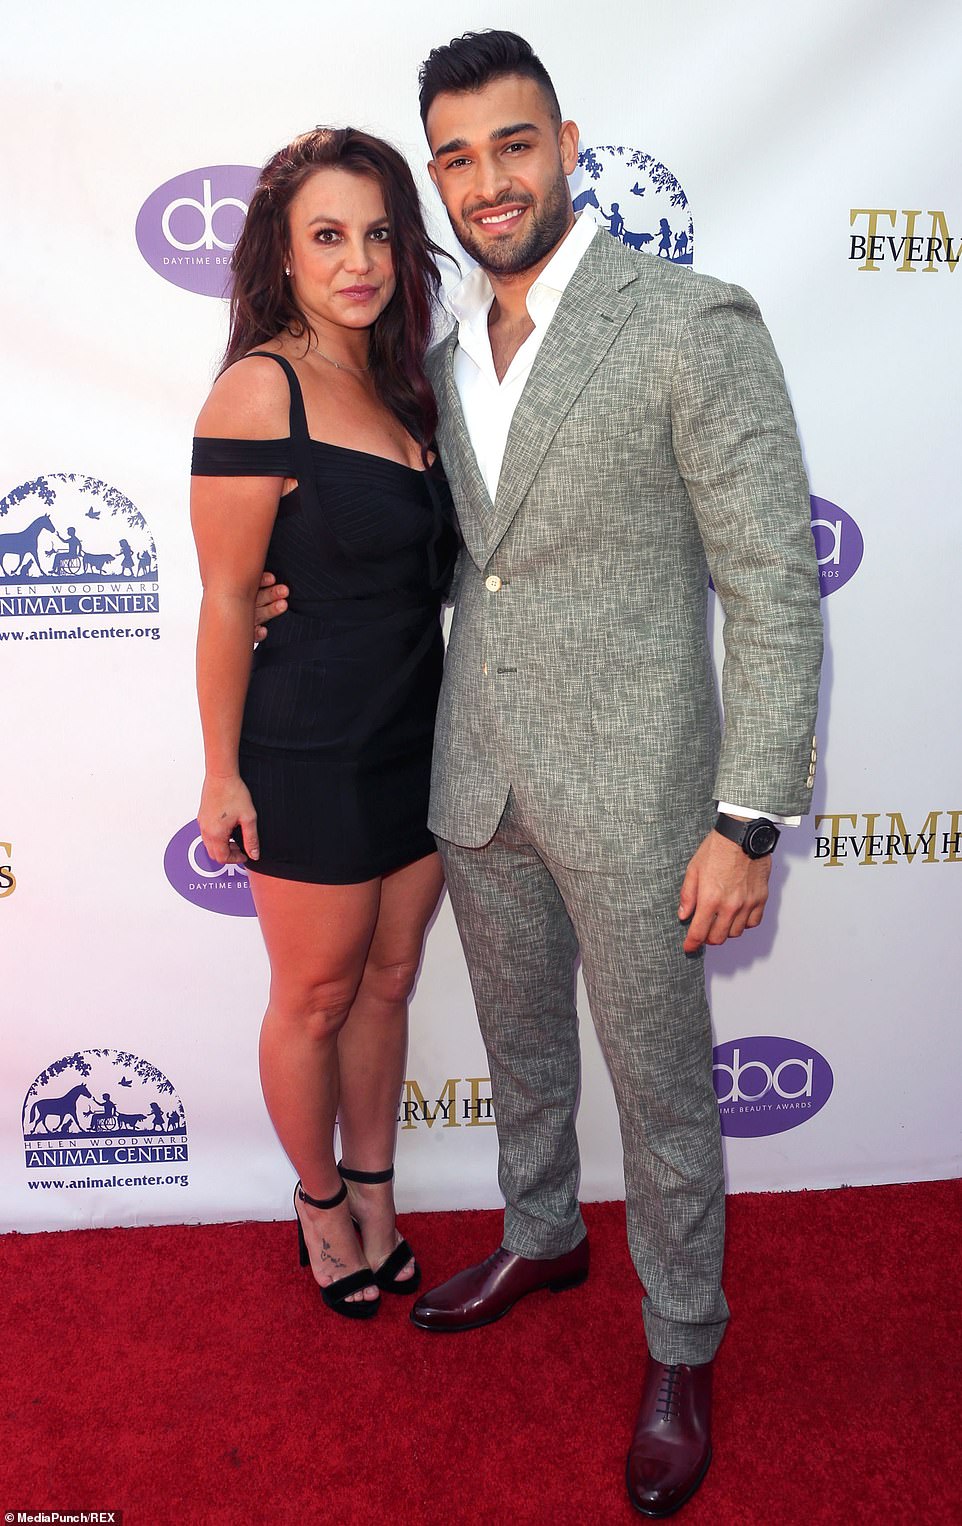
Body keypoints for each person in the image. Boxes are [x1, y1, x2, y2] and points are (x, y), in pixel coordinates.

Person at [256, 31, 822, 1515]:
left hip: (640, 791)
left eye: (511, 145)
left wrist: (746, 816)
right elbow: (432, 545)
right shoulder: (436, 355)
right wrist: (272, 592)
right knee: (521, 1049)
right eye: (454, 157)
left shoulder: (688, 322)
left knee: (662, 1088)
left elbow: (772, 580)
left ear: (566, 146)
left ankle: (681, 1339)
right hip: (475, 775)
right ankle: (542, 1230)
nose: (485, 182)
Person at [191, 127, 458, 1321]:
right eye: (329, 236)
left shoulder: (407, 385)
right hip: (305, 748)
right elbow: (225, 598)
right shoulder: (262, 387)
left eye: (379, 234)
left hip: (418, 732)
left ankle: (376, 1191)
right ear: (284, 255)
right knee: (312, 997)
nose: (359, 261)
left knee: (389, 980)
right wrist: (220, 772)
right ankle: (315, 1204)